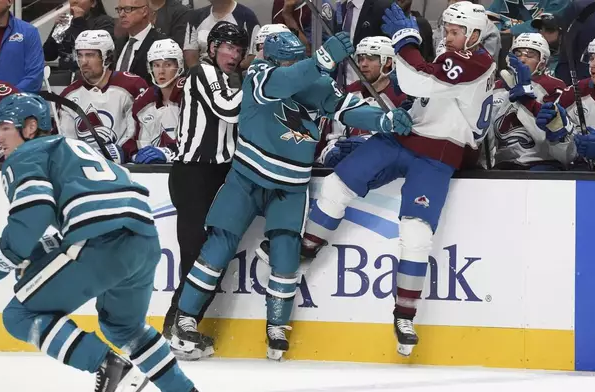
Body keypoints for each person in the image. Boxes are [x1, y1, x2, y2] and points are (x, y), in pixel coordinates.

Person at [258, 1, 496, 357]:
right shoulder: (457, 56)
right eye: (446, 29)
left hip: (438, 154)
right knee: (339, 184)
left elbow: (421, 78)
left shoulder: (478, 62)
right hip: (403, 137)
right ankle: (308, 247)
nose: (448, 36)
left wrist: (404, 39)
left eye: (456, 31)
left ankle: (404, 314)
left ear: (475, 35)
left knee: (416, 235)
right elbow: (420, 89)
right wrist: (403, 104)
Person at [171, 30, 412, 361]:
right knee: (218, 244)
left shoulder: (314, 78)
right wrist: (323, 59)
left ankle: (277, 326)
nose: (291, 64)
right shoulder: (259, 74)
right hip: (247, 176)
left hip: (291, 184)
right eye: (286, 59)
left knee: (285, 252)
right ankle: (184, 319)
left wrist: (383, 119)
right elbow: (283, 82)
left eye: (295, 59)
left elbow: (343, 108)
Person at [0, 92, 197, 392]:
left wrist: (0, 256)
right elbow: (89, 205)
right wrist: (40, 249)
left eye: (5, 127)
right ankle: (183, 390)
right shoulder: (72, 147)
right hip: (143, 241)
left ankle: (109, 366)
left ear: (30, 127)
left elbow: (35, 210)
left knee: (19, 314)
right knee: (124, 327)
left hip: (100, 241)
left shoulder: (26, 155)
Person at [162, 21, 248, 349]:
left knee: (207, 257)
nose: (233, 55)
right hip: (193, 174)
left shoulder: (228, 80)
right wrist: (259, 81)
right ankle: (178, 327)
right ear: (212, 48)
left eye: (239, 50)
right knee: (197, 256)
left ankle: (177, 325)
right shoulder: (202, 73)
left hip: (216, 176)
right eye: (228, 47)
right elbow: (227, 109)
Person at [516, 34, 595, 170]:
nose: (592, 64)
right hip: (585, 174)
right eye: (591, 58)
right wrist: (557, 136)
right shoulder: (574, 93)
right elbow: (566, 157)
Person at [58, 30, 148, 163]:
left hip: (127, 166)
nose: (83, 62)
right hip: (86, 166)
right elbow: (67, 140)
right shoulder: (68, 95)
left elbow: (141, 132)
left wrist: (123, 151)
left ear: (108, 57)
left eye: (90, 55)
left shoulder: (132, 86)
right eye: (80, 55)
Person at [316, 35, 407, 167]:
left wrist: (371, 148)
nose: (363, 64)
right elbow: (329, 138)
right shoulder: (345, 92)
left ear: (387, 61)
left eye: (370, 58)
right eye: (360, 58)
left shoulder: (401, 99)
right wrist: (331, 153)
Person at [488, 33, 570, 170]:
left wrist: (526, 100)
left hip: (542, 161)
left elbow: (555, 133)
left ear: (542, 61)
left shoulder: (554, 87)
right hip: (503, 164)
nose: (522, 59)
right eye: (518, 54)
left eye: (530, 55)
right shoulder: (497, 87)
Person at [133, 38, 186, 164]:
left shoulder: (192, 96)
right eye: (156, 65)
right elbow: (140, 145)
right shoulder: (144, 101)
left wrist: (168, 154)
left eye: (167, 65)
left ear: (179, 65)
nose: (161, 71)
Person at [183, 0, 260, 70]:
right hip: (203, 72)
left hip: (235, 75)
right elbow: (190, 54)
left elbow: (254, 55)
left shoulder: (247, 17)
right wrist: (201, 76)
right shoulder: (196, 17)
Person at [43, 0, 115, 72]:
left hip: (89, 73)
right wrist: (55, 29)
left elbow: (91, 49)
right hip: (64, 74)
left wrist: (79, 21)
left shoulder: (104, 21)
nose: (74, 1)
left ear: (93, 3)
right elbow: (48, 55)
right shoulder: (66, 22)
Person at [114, 0, 167, 86]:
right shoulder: (118, 44)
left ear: (144, 11)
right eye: (119, 10)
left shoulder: (161, 44)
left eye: (128, 9)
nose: (121, 15)